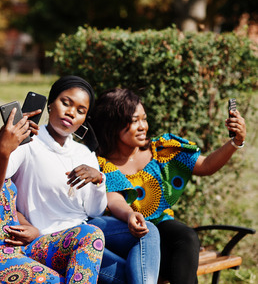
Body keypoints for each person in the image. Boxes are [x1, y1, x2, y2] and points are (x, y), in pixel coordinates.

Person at [0, 76, 160, 284]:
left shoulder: (84, 152)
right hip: (51, 237)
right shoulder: (28, 142)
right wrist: (7, 141)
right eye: (66, 103)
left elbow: (94, 211)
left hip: (87, 228)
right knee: (124, 274)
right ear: (50, 104)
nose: (71, 113)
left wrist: (98, 180)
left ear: (84, 119)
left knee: (148, 230)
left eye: (81, 111)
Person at [0, 90, 105, 283]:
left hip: (21, 248)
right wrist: (4, 149)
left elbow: (8, 205)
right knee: (54, 281)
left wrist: (30, 228)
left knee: (91, 234)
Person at [90, 88, 247, 284]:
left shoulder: (162, 150)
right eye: (133, 121)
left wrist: (235, 141)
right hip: (125, 233)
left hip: (161, 226)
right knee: (165, 257)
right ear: (112, 125)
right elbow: (114, 198)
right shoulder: (101, 164)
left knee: (187, 237)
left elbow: (206, 166)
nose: (142, 126)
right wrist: (130, 215)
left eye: (144, 119)